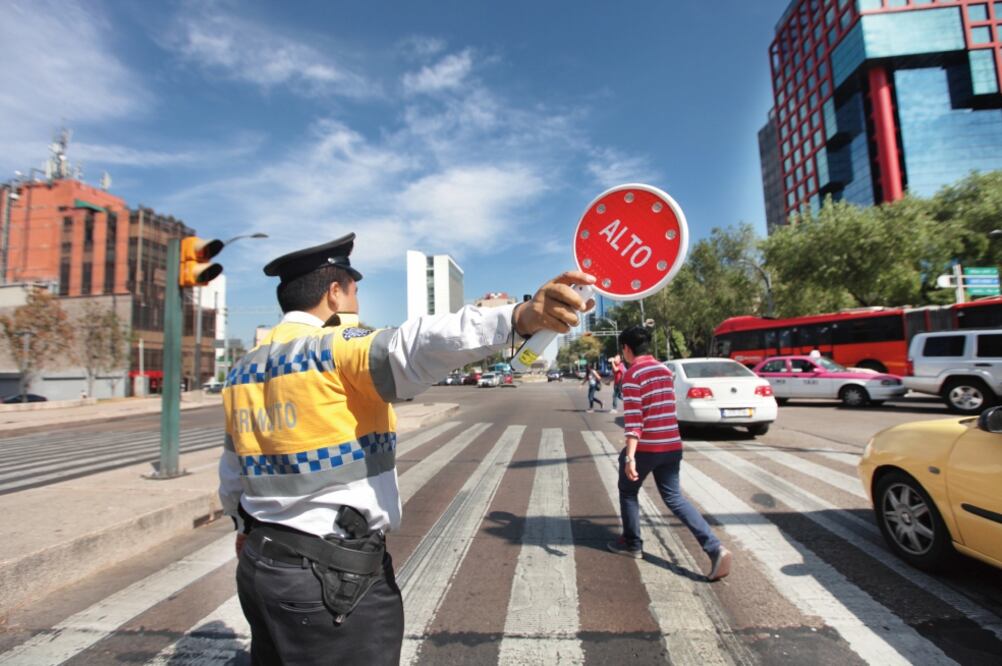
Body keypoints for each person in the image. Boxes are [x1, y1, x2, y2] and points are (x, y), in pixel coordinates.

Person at [218, 233, 594, 665]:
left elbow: (232, 470)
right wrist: (519, 316)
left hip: (262, 564)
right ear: (334, 293)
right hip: (331, 577)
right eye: (354, 289)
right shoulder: (334, 348)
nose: (357, 300)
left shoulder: (243, 370)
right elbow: (416, 343)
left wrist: (243, 529)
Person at [607, 325, 732, 582]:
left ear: (626, 349)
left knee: (628, 491)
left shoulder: (633, 375)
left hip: (647, 448)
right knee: (675, 498)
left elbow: (634, 422)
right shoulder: (665, 370)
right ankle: (715, 548)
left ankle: (632, 544)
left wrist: (630, 457)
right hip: (672, 445)